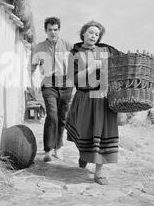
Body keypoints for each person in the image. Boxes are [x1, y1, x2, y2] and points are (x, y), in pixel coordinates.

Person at [66, 20, 121, 185]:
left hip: (104, 99)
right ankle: (83, 154)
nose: (93, 36)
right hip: (84, 98)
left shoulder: (106, 50)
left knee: (103, 135)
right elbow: (72, 79)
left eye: (97, 34)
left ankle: (99, 173)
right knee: (84, 133)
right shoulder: (74, 54)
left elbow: (122, 63)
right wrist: (92, 67)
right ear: (83, 33)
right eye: (90, 32)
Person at [31, 17, 73, 162]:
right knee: (52, 116)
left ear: (59, 30)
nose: (53, 32)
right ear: (46, 31)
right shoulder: (39, 47)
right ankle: (48, 150)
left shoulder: (67, 44)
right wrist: (32, 86)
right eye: (50, 29)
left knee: (62, 118)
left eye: (55, 29)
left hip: (66, 85)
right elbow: (31, 68)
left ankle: (58, 148)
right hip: (49, 85)